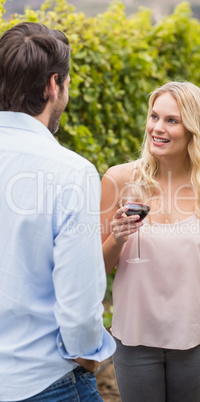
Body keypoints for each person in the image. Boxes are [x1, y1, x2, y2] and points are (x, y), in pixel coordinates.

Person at [0, 22, 115, 401]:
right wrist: (88, 355)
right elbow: (79, 303)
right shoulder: (71, 172)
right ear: (54, 85)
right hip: (45, 382)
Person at [101, 81, 200, 402]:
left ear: (194, 129)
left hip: (195, 340)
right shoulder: (118, 180)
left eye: (171, 120)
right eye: (153, 116)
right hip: (134, 339)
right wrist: (118, 238)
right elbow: (96, 269)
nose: (157, 128)